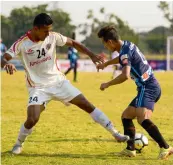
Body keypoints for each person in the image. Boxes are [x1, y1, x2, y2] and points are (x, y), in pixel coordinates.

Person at [1, 13, 129, 155]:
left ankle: (116, 133)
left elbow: (73, 43)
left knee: (87, 104)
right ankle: (18, 144)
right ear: (36, 28)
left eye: (50, 29)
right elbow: (4, 58)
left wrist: (91, 55)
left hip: (59, 82)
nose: (48, 33)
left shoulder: (53, 36)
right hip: (37, 87)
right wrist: (7, 64)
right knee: (32, 119)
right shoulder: (22, 43)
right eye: (45, 30)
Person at [96, 25, 173, 160]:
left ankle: (165, 147)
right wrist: (106, 64)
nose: (106, 47)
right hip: (148, 86)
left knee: (142, 118)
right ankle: (130, 149)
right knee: (126, 116)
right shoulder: (127, 45)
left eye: (105, 44)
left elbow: (125, 75)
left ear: (110, 42)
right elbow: (121, 58)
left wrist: (107, 84)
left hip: (148, 87)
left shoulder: (124, 52)